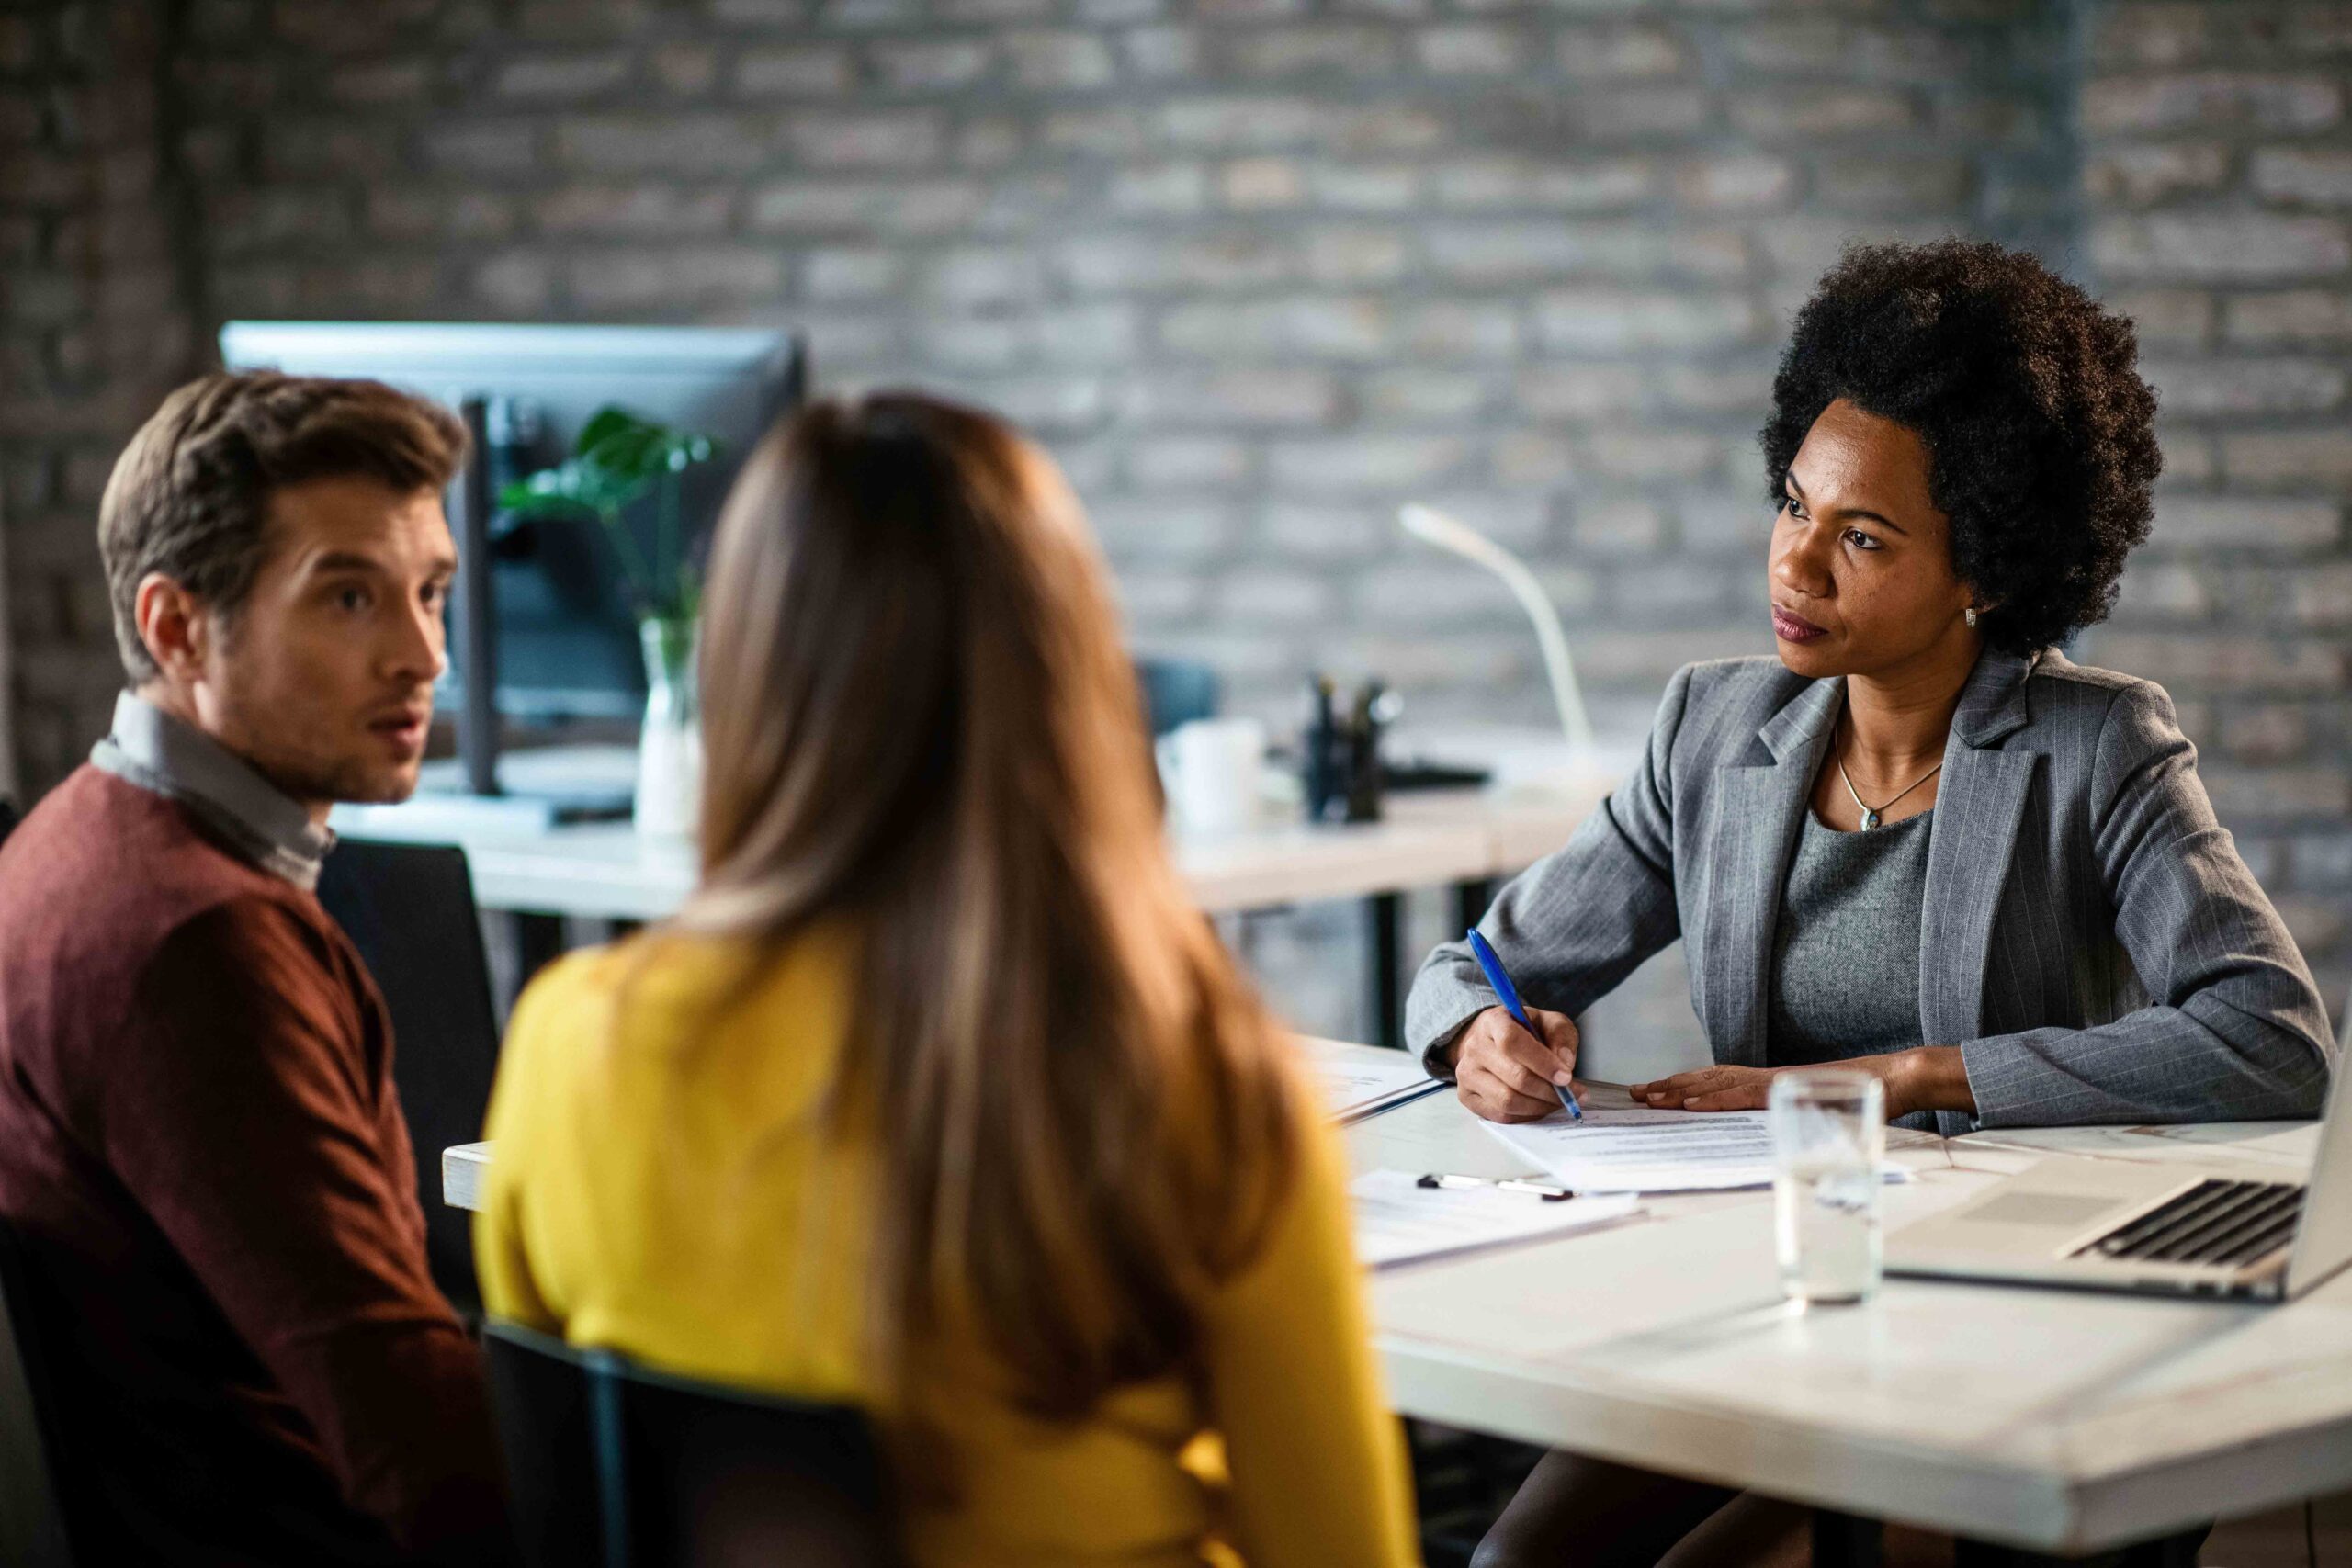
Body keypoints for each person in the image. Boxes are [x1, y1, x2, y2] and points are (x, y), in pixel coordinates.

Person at [1408, 240, 2336, 1568]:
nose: (1797, 565)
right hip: (1768, 1291)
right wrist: (1476, 1035)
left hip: (2015, 1305)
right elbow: (1471, 962)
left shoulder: (2095, 745)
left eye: (1862, 537)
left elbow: (2272, 1035)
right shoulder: (1713, 729)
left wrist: (1893, 1077)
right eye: (1794, 505)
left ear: (1989, 571)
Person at [474, 392, 1419, 1568]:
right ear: (1066, 679)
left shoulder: (571, 1043)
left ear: (747, 672)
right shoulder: (1201, 1089)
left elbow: (562, 1475)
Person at [0, 372, 510, 1564]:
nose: (423, 652)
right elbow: (410, 1434)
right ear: (179, 628)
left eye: (430, 591)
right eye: (348, 596)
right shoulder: (200, 937)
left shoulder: (68, 831)